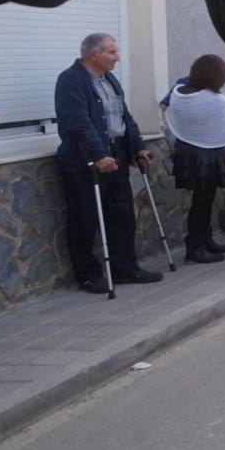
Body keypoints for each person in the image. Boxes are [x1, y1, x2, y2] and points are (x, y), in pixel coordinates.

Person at [54, 33, 162, 292]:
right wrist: (98, 154)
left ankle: (124, 268)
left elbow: (124, 118)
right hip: (86, 160)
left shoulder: (110, 80)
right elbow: (78, 121)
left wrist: (138, 148)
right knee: (85, 218)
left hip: (117, 155)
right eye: (112, 53)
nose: (118, 57)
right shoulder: (71, 80)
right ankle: (88, 275)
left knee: (122, 214)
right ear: (93, 54)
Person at [161, 54, 225, 264]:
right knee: (201, 202)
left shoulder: (180, 91)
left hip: (188, 151)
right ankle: (195, 248)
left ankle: (205, 241)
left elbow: (166, 107)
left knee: (203, 201)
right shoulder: (212, 99)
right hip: (205, 154)